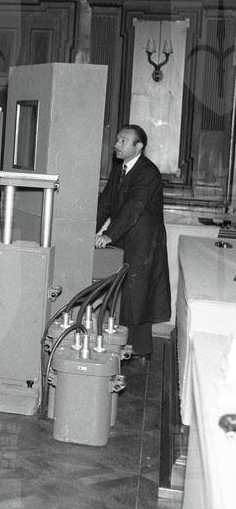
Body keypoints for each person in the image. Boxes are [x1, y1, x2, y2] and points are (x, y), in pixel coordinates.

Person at [94, 124, 171, 362]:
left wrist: (109, 234)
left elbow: (134, 206)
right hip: (126, 236)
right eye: (117, 140)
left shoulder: (148, 172)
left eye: (123, 141)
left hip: (143, 241)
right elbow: (105, 204)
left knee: (138, 292)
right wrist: (86, 230)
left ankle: (137, 348)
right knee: (126, 292)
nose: (116, 145)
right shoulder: (119, 170)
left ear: (139, 146)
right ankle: (125, 344)